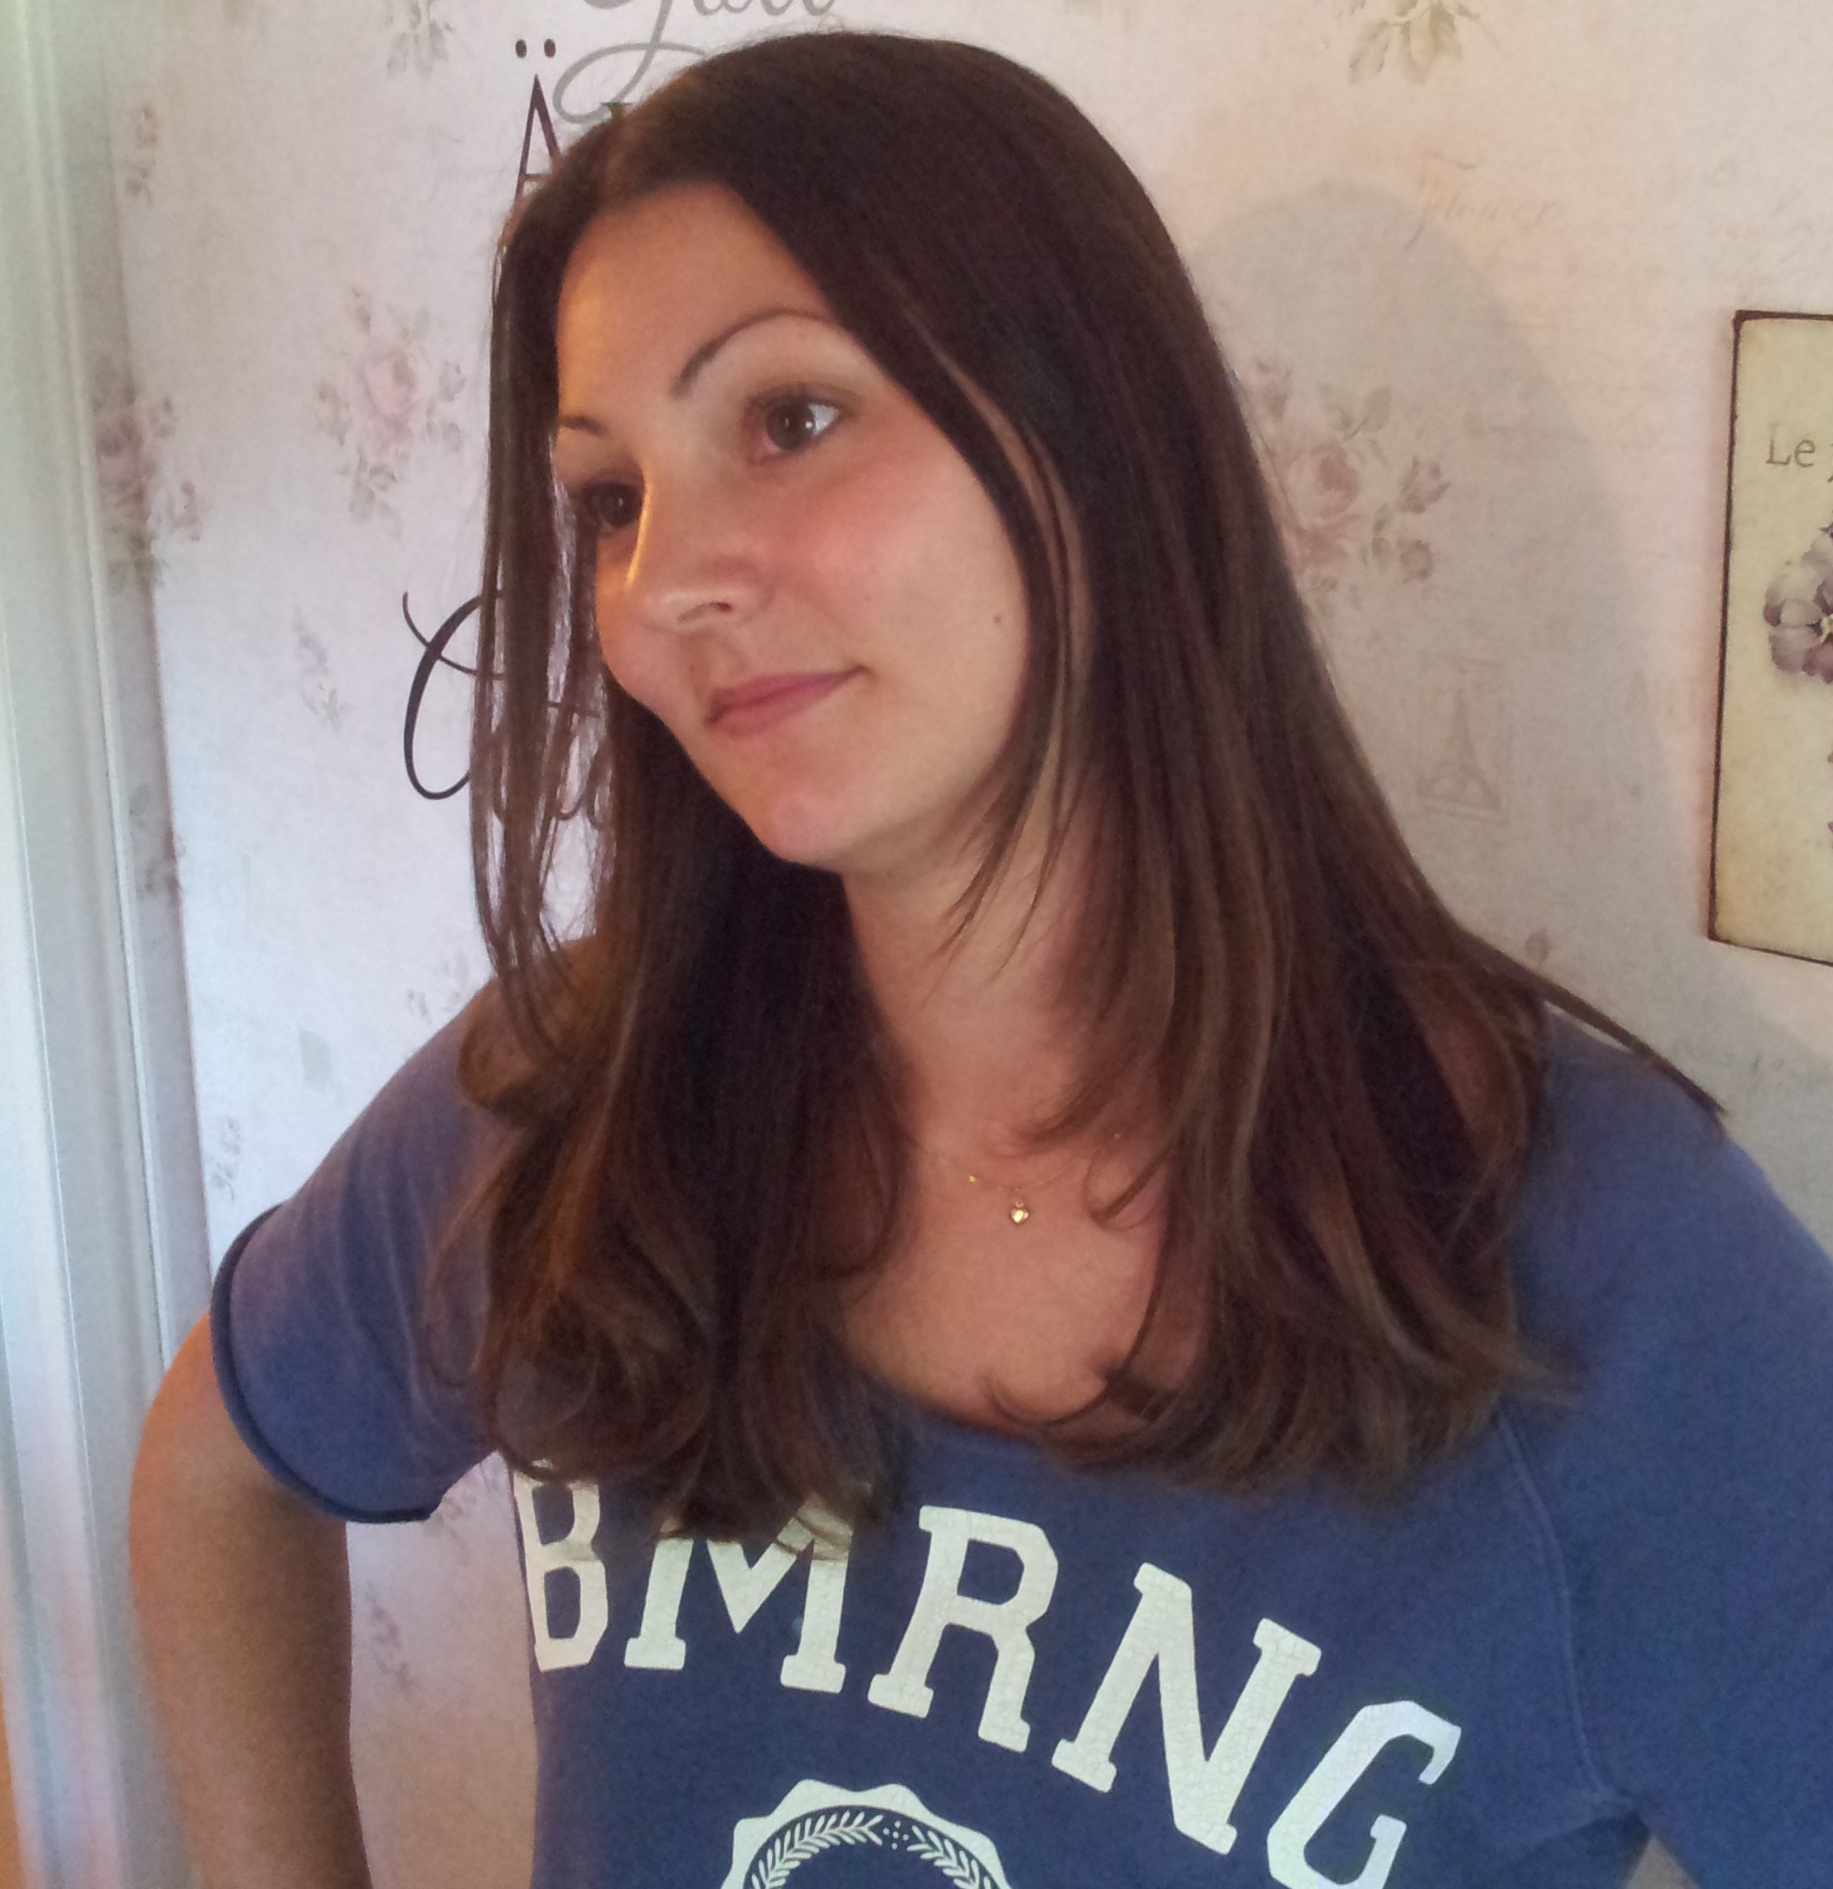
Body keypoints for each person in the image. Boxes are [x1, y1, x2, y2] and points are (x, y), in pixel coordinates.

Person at [129, 31, 1833, 1889]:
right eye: (611, 498)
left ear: (1096, 439)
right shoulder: (579, 1092)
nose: (666, 579)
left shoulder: (1594, 1262)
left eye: (788, 418)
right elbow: (221, 1471)